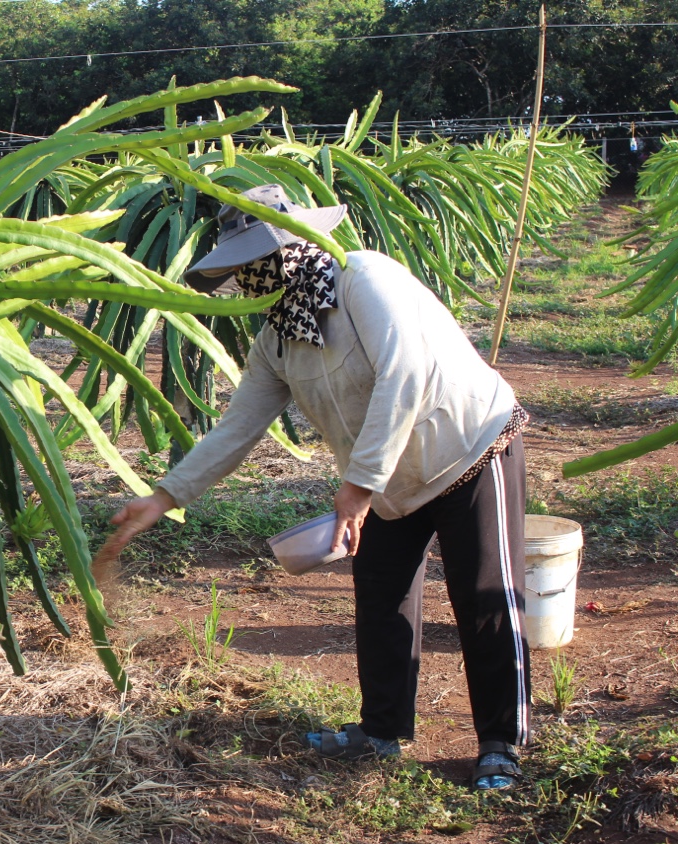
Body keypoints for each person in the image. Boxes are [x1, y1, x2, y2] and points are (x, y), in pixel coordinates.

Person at [103, 184, 531, 790]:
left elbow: (405, 372)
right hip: (386, 480)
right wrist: (164, 497)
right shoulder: (277, 338)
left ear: (292, 247)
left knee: (484, 593)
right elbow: (238, 427)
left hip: (467, 445)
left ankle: (500, 743)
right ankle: (381, 731)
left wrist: (358, 484)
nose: (253, 276)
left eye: (259, 259)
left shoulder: (365, 280)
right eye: (243, 266)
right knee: (381, 595)